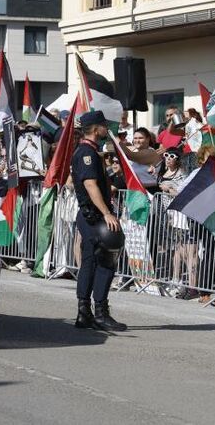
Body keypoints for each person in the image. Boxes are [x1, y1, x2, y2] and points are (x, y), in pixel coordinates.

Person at [71, 110, 126, 331]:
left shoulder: (91, 152)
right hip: (94, 216)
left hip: (89, 215)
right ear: (96, 129)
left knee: (90, 261)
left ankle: (84, 313)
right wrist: (107, 213)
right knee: (106, 260)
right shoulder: (87, 153)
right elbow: (90, 185)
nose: (107, 129)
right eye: (104, 125)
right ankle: (100, 313)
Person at [158, 147, 199, 300]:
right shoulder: (190, 174)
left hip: (188, 217)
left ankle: (193, 287)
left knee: (191, 253)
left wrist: (169, 189)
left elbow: (183, 193)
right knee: (180, 249)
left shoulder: (192, 174)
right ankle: (180, 282)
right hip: (177, 217)